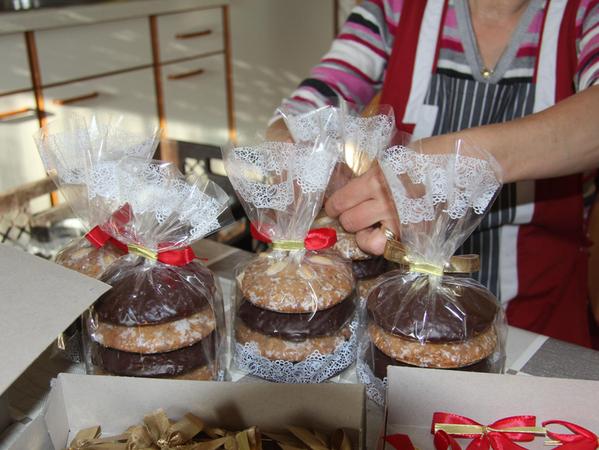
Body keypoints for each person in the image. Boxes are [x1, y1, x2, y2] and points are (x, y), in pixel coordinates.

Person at [269, 0, 599, 347]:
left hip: (539, 318)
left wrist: (464, 161)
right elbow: (310, 103)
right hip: (401, 310)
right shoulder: (395, 8)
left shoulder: (584, 10)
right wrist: (296, 147)